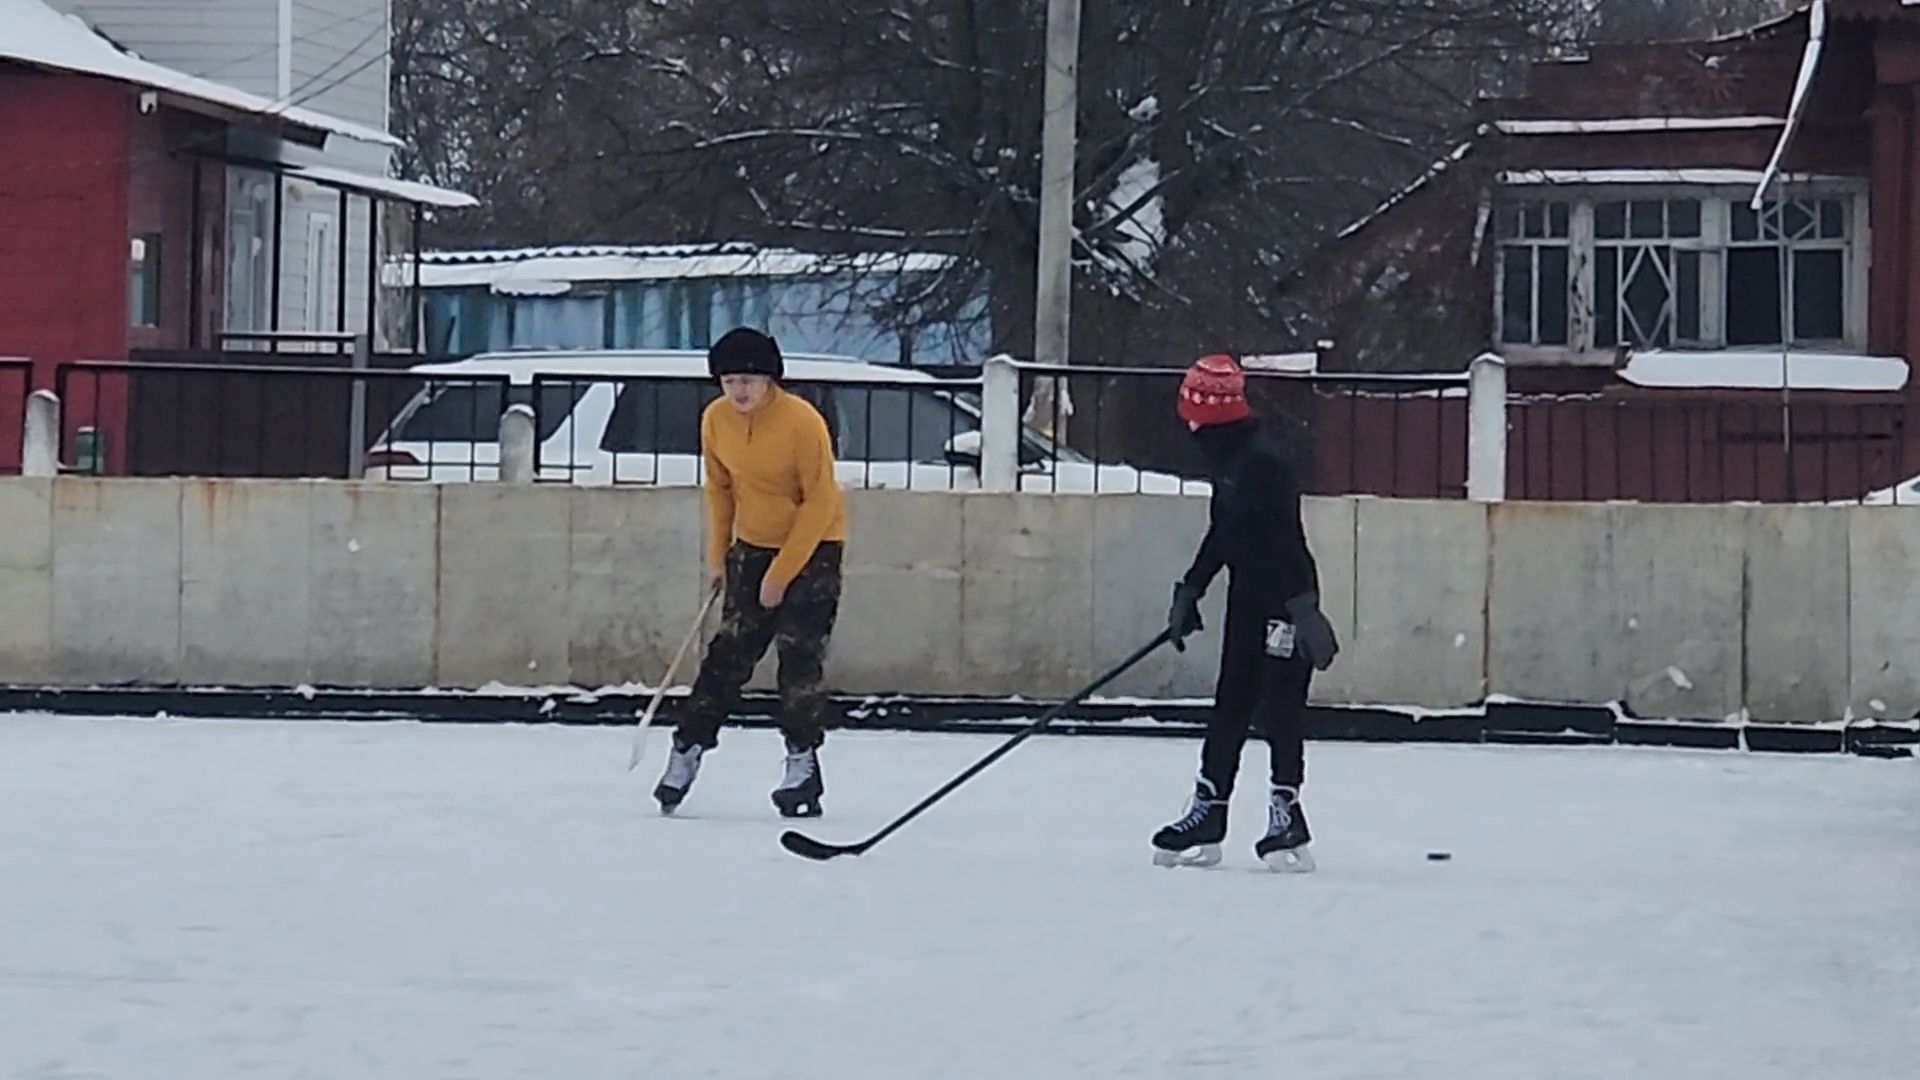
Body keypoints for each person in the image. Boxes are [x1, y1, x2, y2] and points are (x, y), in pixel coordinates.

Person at [1152, 354, 1340, 872]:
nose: (1185, 422)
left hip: (1286, 598)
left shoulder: (1264, 462)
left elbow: (1285, 541)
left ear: (1209, 413)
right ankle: (1208, 811)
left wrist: (1304, 611)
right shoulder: (1229, 462)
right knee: (1231, 700)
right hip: (1249, 596)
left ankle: (1286, 815)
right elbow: (1224, 533)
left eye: (1191, 410)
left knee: (1279, 708)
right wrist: (1191, 589)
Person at [654, 328, 848, 819]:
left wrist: (782, 574)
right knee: (727, 654)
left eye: (749, 380)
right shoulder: (715, 420)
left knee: (798, 656)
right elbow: (719, 490)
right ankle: (688, 747)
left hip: (813, 547)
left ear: (770, 381)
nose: (739, 391)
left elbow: (821, 499)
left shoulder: (802, 422)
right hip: (752, 545)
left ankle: (802, 763)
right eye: (729, 380)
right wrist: (719, 557)